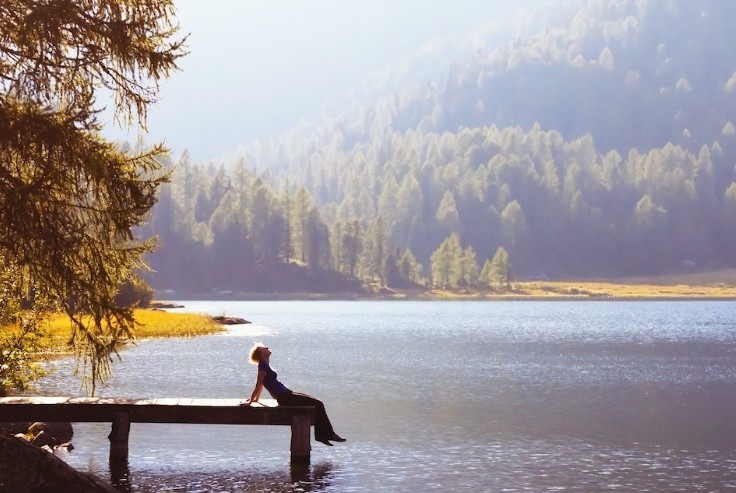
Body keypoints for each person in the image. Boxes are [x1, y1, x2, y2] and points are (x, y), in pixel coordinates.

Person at [242, 342, 346, 446]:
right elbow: (258, 384)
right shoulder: (263, 366)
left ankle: (323, 435)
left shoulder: (265, 365)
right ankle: (327, 435)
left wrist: (256, 399)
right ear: (261, 354)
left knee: (317, 403)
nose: (267, 347)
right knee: (318, 404)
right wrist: (251, 401)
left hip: (287, 394)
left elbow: (261, 384)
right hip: (284, 397)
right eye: (264, 348)